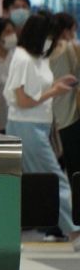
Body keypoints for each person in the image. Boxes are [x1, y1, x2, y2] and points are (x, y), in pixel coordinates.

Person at [4, 12, 80, 249]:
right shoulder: (23, 58)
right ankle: (74, 231)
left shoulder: (36, 57)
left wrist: (57, 85)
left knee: (35, 182)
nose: (54, 42)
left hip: (38, 125)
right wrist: (54, 91)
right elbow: (22, 100)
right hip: (26, 126)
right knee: (55, 180)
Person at [49, 13, 80, 182]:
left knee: (55, 171)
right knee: (74, 170)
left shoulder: (42, 50)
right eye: (73, 31)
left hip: (49, 120)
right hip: (70, 119)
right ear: (66, 31)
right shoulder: (69, 48)